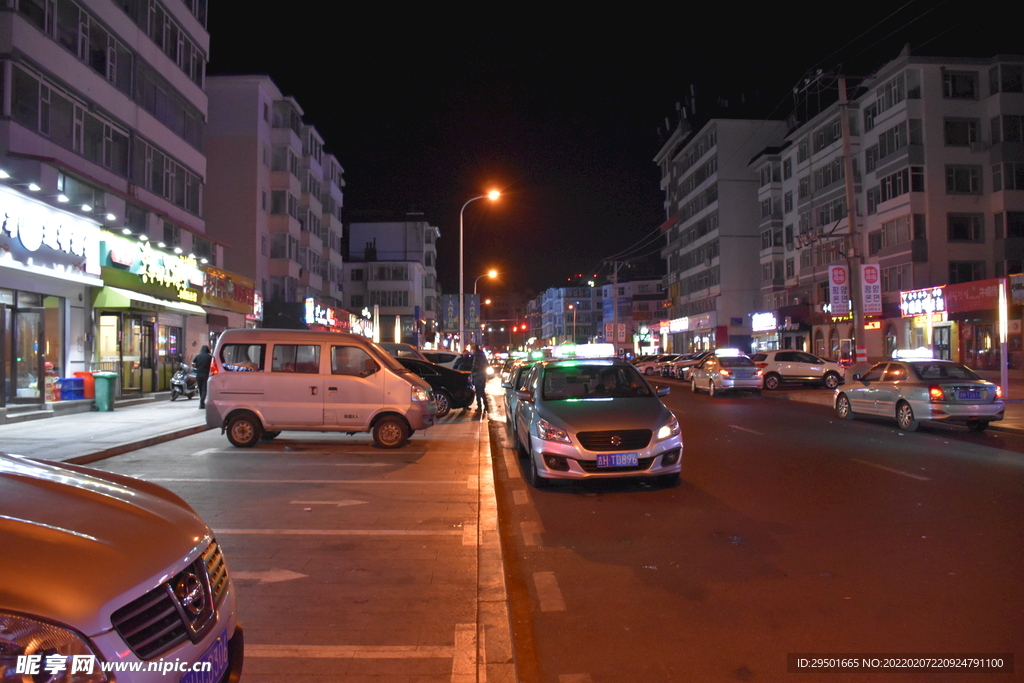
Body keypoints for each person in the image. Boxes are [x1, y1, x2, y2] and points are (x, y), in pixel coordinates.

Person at [471, 345, 488, 411]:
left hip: (477, 374)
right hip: (483, 375)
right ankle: (486, 405)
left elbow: (474, 365)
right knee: (482, 391)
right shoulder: (483, 355)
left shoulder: (476, 356)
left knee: (478, 391)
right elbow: (486, 364)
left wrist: (472, 372)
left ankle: (479, 406)